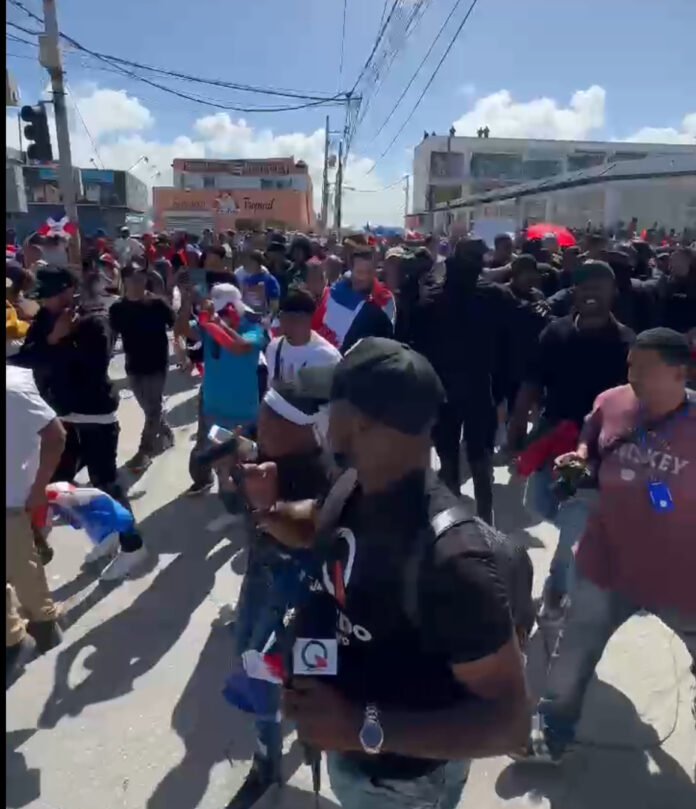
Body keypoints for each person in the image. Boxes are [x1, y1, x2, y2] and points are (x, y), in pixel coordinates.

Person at [268, 338, 529, 809]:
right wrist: (268, 510)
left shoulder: (454, 562)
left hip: (402, 784)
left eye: (328, 404)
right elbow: (322, 524)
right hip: (352, 748)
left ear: (361, 421)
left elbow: (508, 724)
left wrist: (357, 726)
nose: (319, 417)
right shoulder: (354, 483)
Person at [523, 328, 696, 762]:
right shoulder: (612, 401)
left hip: (681, 576)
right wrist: (579, 460)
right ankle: (552, 734)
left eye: (645, 368)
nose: (632, 375)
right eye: (630, 364)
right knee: (572, 653)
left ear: (680, 373)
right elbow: (590, 439)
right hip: (607, 563)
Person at [224, 382, 336, 806]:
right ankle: (269, 750)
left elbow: (309, 537)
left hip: (297, 594)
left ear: (300, 429)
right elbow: (234, 508)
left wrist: (266, 507)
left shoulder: (322, 474)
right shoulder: (263, 458)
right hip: (260, 576)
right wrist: (231, 475)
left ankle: (275, 759)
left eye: (269, 424)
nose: (260, 430)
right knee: (246, 655)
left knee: (275, 674)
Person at [508, 260, 635, 616]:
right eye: (583, 285)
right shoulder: (555, 333)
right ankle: (589, 534)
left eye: (599, 285)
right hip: (552, 438)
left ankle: (556, 591)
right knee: (538, 504)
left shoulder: (628, 342)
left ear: (613, 292)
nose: (591, 292)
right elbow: (532, 383)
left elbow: (636, 401)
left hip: (598, 448)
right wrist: (517, 428)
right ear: (574, 292)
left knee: (575, 518)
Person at [16, 265, 147, 581]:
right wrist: (53, 338)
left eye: (48, 296)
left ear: (67, 291)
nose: (43, 303)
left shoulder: (95, 320)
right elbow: (27, 360)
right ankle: (106, 532)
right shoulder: (47, 319)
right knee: (57, 485)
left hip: (94, 417)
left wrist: (57, 343)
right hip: (61, 416)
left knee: (107, 484)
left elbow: (92, 369)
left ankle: (133, 546)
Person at [417, 238, 516, 525]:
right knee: (473, 459)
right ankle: (479, 523)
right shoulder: (494, 296)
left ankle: (458, 523)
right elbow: (509, 349)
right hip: (472, 388)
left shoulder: (436, 297)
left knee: (458, 459)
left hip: (458, 389)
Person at [6, 364, 66, 682]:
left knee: (23, 567)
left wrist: (39, 487)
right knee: (21, 566)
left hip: (11, 501)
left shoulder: (13, 388)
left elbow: (56, 436)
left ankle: (35, 633)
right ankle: (24, 633)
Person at [177, 283, 265, 496]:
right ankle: (219, 487)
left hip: (243, 413)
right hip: (213, 408)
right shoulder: (209, 325)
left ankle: (246, 499)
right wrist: (187, 302)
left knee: (244, 460)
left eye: (224, 311)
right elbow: (181, 329)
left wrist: (218, 323)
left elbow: (239, 346)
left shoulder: (254, 328)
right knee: (219, 459)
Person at [109, 263, 175, 473]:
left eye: (141, 279)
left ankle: (144, 452)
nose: (138, 284)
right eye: (133, 279)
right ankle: (166, 433)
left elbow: (176, 325)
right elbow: (112, 337)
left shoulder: (158, 304)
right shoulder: (117, 309)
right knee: (149, 408)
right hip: (133, 365)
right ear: (125, 281)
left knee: (153, 408)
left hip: (157, 363)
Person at [313, 249, 395, 353]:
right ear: (351, 269)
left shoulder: (385, 300)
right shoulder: (335, 292)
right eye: (360, 272)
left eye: (369, 272)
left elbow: (384, 340)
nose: (364, 277)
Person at [266, 289, 340, 386]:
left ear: (308, 319)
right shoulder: (274, 347)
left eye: (294, 320)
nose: (286, 324)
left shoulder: (328, 357)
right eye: (283, 318)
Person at [235, 249, 280, 321]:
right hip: (247, 319)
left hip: (262, 319)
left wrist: (268, 318)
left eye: (249, 262)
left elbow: (274, 304)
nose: (246, 265)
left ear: (255, 262)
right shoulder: (246, 279)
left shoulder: (270, 280)